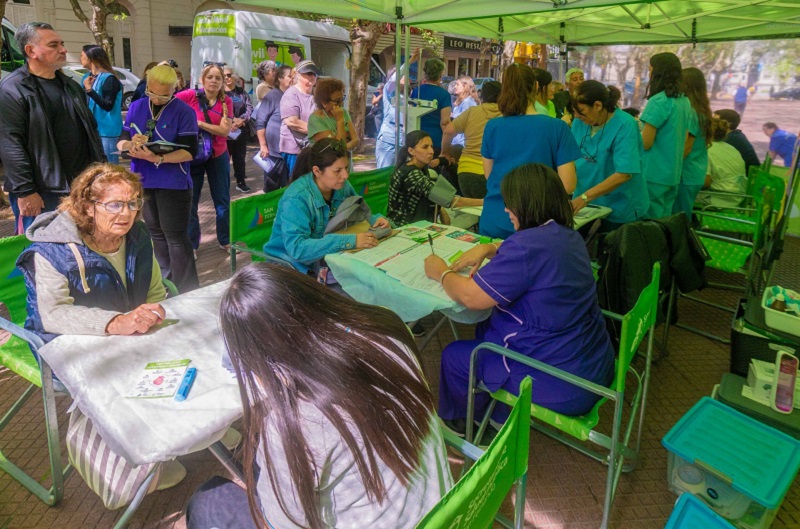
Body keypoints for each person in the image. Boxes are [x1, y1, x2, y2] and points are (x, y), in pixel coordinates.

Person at [185, 263, 453, 529]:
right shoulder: (387, 328)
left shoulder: (293, 422)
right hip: (442, 514)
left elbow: (280, 525)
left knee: (207, 502)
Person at [423, 163, 614, 438]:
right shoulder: (568, 235)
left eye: (509, 203)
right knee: (488, 330)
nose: (506, 210)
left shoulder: (525, 247)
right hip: (594, 363)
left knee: (456, 357)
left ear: (526, 204)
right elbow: (533, 262)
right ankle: (499, 413)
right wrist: (490, 247)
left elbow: (470, 296)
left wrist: (440, 272)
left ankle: (469, 426)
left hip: (563, 382)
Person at [0, 22, 105, 234]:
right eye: (54, 45)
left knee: (81, 250)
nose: (63, 49)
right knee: (42, 256)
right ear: (31, 51)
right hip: (42, 192)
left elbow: (91, 131)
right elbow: (10, 143)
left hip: (81, 187)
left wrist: (101, 174)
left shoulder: (71, 86)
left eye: (62, 43)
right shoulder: (12, 88)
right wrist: (26, 190)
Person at [118, 64, 200, 293]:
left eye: (163, 95)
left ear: (175, 89)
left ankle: (187, 290)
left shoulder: (184, 112)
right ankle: (166, 284)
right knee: (155, 234)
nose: (156, 99)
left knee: (175, 237)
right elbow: (121, 139)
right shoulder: (136, 106)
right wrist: (129, 145)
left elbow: (190, 152)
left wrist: (158, 158)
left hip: (173, 183)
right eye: (151, 92)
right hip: (143, 180)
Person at [480, 64, 580, 239]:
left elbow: (489, 175)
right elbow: (568, 184)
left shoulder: (493, 126)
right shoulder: (557, 127)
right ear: (536, 86)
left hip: (495, 216)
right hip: (537, 221)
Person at [263, 139, 390, 274]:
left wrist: (374, 219)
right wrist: (350, 241)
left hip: (322, 259)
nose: (345, 175)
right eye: (337, 170)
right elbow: (297, 250)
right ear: (317, 171)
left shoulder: (341, 184)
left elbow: (358, 206)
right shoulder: (296, 198)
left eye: (346, 168)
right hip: (289, 267)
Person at [570, 81, 648, 230]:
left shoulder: (625, 125)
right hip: (583, 202)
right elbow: (570, 157)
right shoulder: (579, 122)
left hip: (618, 204)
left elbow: (624, 173)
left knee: (613, 248)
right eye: (574, 111)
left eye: (581, 111)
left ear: (598, 106)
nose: (577, 116)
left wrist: (585, 197)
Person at [176, 63, 234, 252]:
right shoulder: (189, 96)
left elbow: (224, 132)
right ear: (203, 79)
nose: (214, 81)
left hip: (218, 155)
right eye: (210, 77)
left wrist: (199, 123)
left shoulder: (226, 102)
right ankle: (192, 244)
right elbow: (168, 103)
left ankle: (225, 240)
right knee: (191, 201)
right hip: (195, 155)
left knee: (223, 201)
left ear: (223, 82)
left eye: (218, 78)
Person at [388, 131, 483, 226]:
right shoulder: (412, 174)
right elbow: (450, 200)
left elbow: (435, 195)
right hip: (403, 228)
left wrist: (442, 211)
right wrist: (484, 202)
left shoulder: (421, 168)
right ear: (411, 151)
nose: (431, 151)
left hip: (417, 225)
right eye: (425, 147)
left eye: (431, 146)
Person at [640, 52, 693, 218]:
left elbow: (646, 143)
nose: (649, 75)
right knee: (664, 223)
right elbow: (683, 138)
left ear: (658, 73)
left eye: (650, 71)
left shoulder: (658, 101)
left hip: (653, 174)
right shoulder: (684, 100)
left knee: (650, 226)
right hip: (672, 174)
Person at [441, 81, 502, 199]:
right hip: (490, 175)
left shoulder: (472, 112)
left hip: (465, 174)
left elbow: (448, 131)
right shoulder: (506, 116)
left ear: (482, 96)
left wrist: (445, 153)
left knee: (470, 212)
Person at [674, 67, 712, 219]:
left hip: (686, 174)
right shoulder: (701, 111)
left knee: (679, 219)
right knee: (682, 215)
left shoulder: (691, 112)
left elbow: (686, 148)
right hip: (694, 173)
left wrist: (667, 168)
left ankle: (682, 243)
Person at [375, 49, 421, 169]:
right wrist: (409, 62)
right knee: (384, 174)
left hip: (403, 141)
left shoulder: (406, 96)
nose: (408, 79)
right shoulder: (389, 91)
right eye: (404, 76)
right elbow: (395, 79)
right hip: (389, 141)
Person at [80, 45, 123, 164]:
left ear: (91, 58)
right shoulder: (86, 77)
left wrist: (90, 90)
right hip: (91, 129)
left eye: (82, 55)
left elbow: (108, 105)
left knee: (109, 165)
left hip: (106, 132)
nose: (80, 59)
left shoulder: (110, 79)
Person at [255, 65, 293, 192]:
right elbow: (260, 121)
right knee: (272, 188)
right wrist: (263, 145)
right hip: (273, 153)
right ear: (280, 78)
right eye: (290, 76)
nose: (293, 79)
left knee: (289, 187)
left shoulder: (294, 96)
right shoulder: (272, 96)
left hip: (290, 152)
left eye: (294, 76)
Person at [696, 117, 747, 210]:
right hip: (738, 197)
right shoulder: (732, 148)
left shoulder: (707, 149)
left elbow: (705, 182)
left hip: (720, 199)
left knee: (679, 194)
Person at [279, 59, 320, 175]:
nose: (312, 76)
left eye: (314, 74)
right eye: (308, 73)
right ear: (298, 75)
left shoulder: (314, 96)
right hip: (294, 150)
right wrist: (319, 131)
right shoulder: (291, 94)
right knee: (297, 183)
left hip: (311, 148)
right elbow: (292, 122)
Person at [410, 58, 452, 154]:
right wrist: (447, 148)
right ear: (441, 74)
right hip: (435, 140)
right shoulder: (444, 94)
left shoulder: (417, 91)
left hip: (418, 137)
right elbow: (445, 122)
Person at [307, 77, 358, 153]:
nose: (341, 104)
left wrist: (343, 148)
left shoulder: (343, 112)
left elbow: (356, 139)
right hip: (326, 163)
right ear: (324, 103)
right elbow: (336, 146)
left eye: (342, 99)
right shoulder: (315, 119)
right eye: (337, 101)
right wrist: (340, 120)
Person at [223, 67, 254, 193]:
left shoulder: (241, 92)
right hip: (225, 132)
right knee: (224, 159)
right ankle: (223, 184)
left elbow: (250, 108)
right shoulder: (219, 93)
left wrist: (241, 120)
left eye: (229, 75)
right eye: (224, 75)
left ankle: (241, 182)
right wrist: (230, 121)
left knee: (239, 158)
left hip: (241, 131)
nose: (227, 78)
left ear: (235, 76)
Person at [715, 109, 760, 175]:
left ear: (727, 124)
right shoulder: (736, 135)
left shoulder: (730, 139)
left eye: (716, 121)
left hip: (744, 179)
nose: (711, 124)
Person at [449, 76, 479, 148]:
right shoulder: (463, 101)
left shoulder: (467, 102)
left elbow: (463, 122)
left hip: (461, 144)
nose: (455, 87)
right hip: (458, 142)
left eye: (457, 84)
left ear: (465, 86)